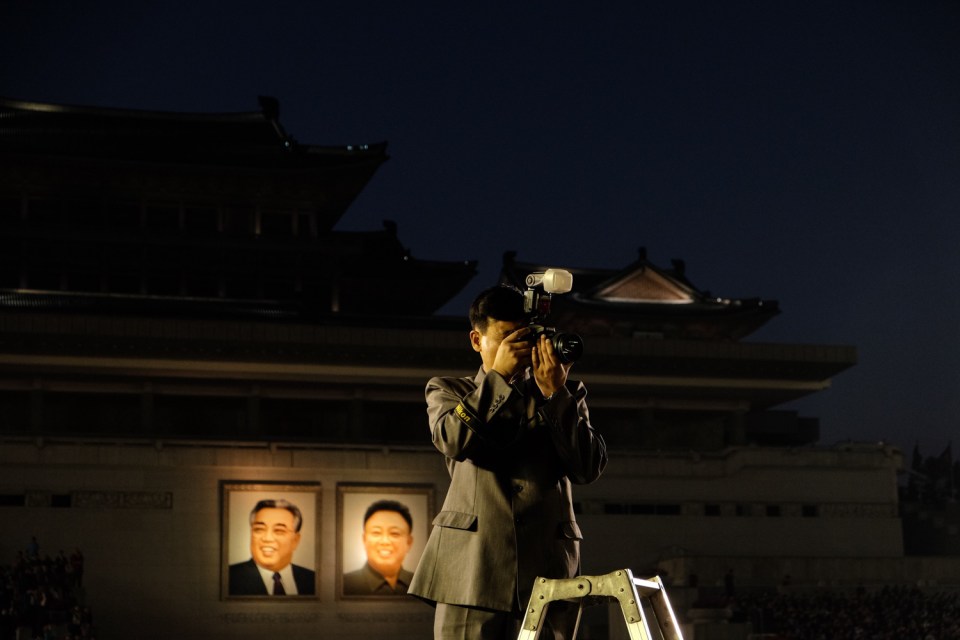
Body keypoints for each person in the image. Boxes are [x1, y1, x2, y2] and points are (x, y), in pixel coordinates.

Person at [408, 285, 607, 640]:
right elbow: (451, 439)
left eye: (524, 336)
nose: (518, 347)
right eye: (505, 337)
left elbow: (588, 468)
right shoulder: (449, 390)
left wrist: (555, 396)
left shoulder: (563, 392)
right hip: (471, 571)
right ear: (476, 340)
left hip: (549, 572)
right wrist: (497, 379)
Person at [228, 498, 316, 596]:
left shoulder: (313, 580)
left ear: (295, 540)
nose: (267, 538)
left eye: (279, 530)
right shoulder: (228, 578)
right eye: (259, 529)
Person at [342, 499, 415, 595]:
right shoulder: (343, 586)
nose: (385, 541)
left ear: (409, 543)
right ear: (364, 539)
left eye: (394, 533)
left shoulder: (424, 586)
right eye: (376, 532)